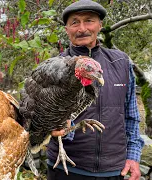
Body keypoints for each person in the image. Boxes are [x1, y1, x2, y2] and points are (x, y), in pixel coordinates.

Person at [46, 0, 145, 180]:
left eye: (89, 20)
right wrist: (51, 127)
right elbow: (38, 119)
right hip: (66, 169)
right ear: (67, 29)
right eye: (74, 22)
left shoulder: (121, 63)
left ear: (100, 25)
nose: (82, 28)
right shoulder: (53, 68)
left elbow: (131, 116)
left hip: (114, 170)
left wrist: (133, 156)